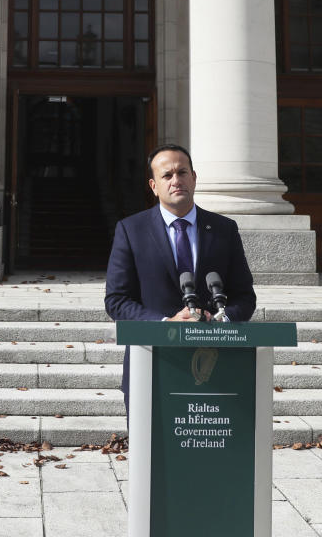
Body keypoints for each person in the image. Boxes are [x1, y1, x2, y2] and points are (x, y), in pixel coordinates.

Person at [104, 144, 256, 404]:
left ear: (194, 178)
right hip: (152, 362)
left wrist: (223, 319)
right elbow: (116, 300)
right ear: (154, 186)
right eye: (167, 175)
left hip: (214, 364)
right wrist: (166, 324)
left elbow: (244, 296)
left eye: (182, 172)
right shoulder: (131, 230)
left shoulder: (224, 229)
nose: (176, 181)